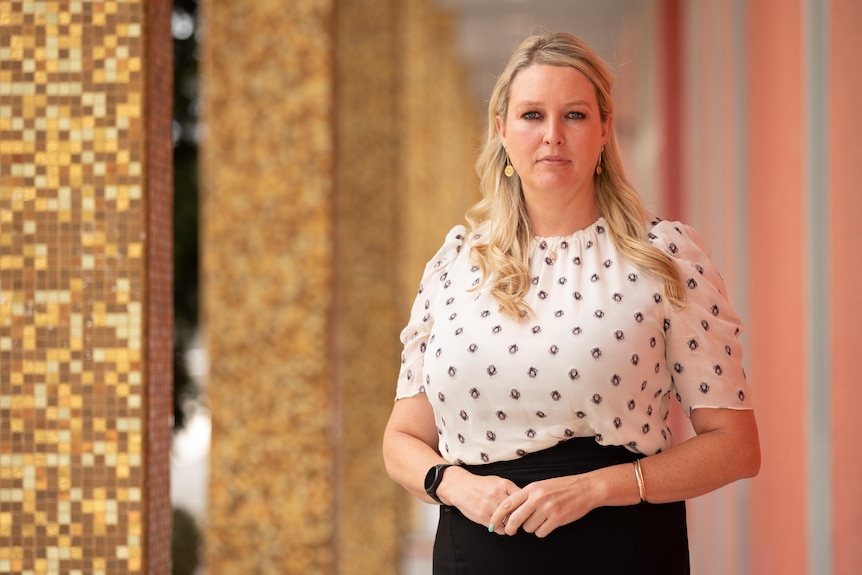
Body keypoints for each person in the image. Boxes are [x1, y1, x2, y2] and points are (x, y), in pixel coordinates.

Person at [382, 32, 760, 574]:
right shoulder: (455, 265)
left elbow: (736, 446)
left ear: (605, 129)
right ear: (502, 131)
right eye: (532, 115)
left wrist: (596, 488)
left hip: (620, 548)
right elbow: (402, 437)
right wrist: (457, 486)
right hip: (475, 550)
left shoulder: (665, 256)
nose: (552, 136)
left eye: (575, 116)